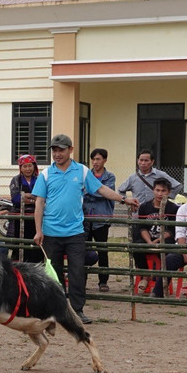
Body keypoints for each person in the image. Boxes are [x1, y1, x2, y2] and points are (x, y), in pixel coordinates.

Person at [33, 133, 124, 324]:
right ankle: (56, 311)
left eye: (61, 150)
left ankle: (77, 310)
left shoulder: (81, 171)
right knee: (53, 274)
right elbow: (39, 202)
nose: (57, 154)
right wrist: (38, 230)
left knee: (77, 271)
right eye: (54, 150)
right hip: (50, 232)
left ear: (70, 150)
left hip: (75, 232)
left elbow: (100, 189)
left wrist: (123, 199)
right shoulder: (46, 174)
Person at [134, 177, 178, 296]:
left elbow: (172, 231)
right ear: (153, 190)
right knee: (136, 247)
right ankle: (145, 274)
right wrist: (149, 242)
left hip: (165, 240)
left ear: (168, 192)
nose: (160, 193)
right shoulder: (144, 207)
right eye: (157, 190)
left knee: (167, 252)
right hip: (147, 238)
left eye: (163, 191)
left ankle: (160, 280)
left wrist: (158, 241)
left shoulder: (174, 208)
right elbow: (142, 228)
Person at [84, 149, 117, 292]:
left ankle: (103, 281)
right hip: (84, 218)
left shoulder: (110, 177)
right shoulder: (86, 175)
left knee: (102, 250)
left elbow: (106, 194)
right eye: (93, 159)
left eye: (98, 159)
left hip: (102, 219)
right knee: (83, 250)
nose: (95, 162)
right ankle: (82, 281)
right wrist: (99, 191)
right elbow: (85, 191)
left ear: (105, 160)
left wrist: (91, 190)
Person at [8, 155, 42, 263]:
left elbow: (43, 197)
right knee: (21, 246)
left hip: (37, 218)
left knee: (36, 248)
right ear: (21, 168)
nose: (28, 169)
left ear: (34, 166)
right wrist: (34, 198)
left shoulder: (39, 179)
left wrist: (27, 196)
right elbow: (16, 199)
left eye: (30, 166)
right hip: (20, 218)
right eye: (25, 166)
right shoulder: (16, 180)